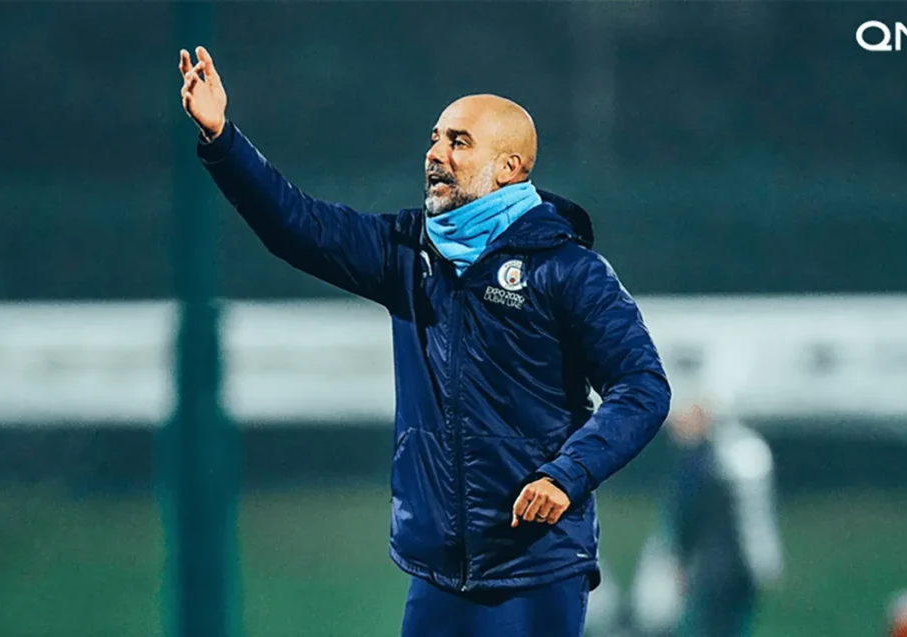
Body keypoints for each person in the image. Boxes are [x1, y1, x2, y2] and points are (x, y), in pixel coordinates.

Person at [178, 47, 672, 637]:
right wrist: (222, 140)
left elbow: (642, 387)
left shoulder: (568, 269)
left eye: (459, 142)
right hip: (437, 572)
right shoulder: (409, 255)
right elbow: (297, 226)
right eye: (435, 139)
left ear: (511, 167)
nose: (435, 154)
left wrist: (568, 474)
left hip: (534, 568)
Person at [631, 397, 783, 637]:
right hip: (742, 567)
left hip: (711, 567)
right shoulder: (735, 455)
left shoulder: (699, 463)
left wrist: (679, 561)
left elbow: (687, 517)